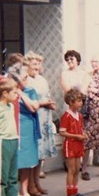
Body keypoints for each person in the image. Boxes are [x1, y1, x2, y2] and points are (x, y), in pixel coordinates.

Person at [8, 62, 41, 196]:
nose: (28, 79)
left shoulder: (30, 90)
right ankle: (14, 194)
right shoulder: (9, 92)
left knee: (27, 162)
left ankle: (24, 191)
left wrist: (21, 93)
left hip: (28, 127)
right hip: (15, 127)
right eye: (24, 77)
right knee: (16, 161)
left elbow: (34, 107)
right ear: (16, 80)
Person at [26, 51, 57, 185]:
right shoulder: (26, 80)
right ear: (27, 65)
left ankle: (37, 183)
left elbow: (47, 96)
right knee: (34, 152)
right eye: (34, 64)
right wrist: (44, 103)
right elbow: (27, 102)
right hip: (33, 117)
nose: (37, 66)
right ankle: (31, 184)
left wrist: (50, 104)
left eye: (39, 63)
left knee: (41, 154)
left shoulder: (42, 79)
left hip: (44, 118)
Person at [59, 88, 88, 196]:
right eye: (78, 101)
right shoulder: (66, 116)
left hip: (78, 144)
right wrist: (76, 136)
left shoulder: (79, 116)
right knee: (71, 169)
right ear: (71, 102)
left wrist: (83, 134)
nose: (81, 103)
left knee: (77, 169)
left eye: (81, 101)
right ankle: (70, 193)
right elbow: (62, 132)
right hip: (70, 144)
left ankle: (75, 190)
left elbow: (80, 128)